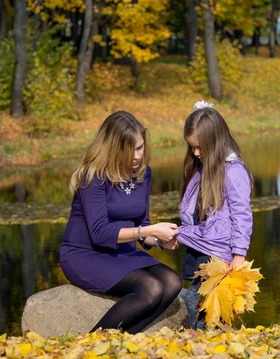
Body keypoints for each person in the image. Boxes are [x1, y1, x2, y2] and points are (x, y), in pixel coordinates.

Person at [59, 111, 182, 334]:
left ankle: (126, 338)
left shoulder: (143, 174)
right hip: (85, 254)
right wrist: (149, 229)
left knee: (172, 282)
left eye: (140, 147)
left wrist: (159, 241)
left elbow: (142, 224)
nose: (136, 156)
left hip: (122, 253)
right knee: (151, 288)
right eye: (129, 150)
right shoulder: (93, 176)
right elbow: (99, 233)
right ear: (113, 148)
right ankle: (93, 341)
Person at [176, 101, 254, 329]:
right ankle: (205, 336)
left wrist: (239, 254)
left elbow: (242, 214)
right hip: (202, 243)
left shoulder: (233, 170)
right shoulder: (202, 166)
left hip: (219, 251)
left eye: (200, 147)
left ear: (216, 141)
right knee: (200, 299)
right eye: (191, 147)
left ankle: (202, 339)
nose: (196, 153)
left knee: (196, 299)